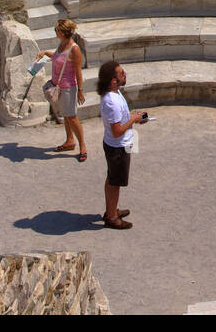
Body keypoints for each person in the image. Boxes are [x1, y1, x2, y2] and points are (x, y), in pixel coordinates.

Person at [98, 59, 147, 229]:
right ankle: (112, 217)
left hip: (117, 144)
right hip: (117, 147)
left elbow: (119, 123)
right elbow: (117, 131)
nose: (125, 74)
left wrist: (135, 119)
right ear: (113, 80)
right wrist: (133, 119)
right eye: (121, 73)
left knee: (112, 178)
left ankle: (111, 209)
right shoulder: (111, 101)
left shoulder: (114, 93)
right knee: (115, 182)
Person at [35, 20, 87, 161]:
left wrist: (80, 91)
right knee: (66, 115)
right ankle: (70, 140)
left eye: (57, 30)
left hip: (69, 87)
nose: (55, 32)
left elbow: (78, 71)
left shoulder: (74, 49)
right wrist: (46, 53)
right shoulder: (62, 44)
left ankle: (83, 146)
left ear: (63, 32)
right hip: (58, 86)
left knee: (72, 116)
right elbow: (58, 58)